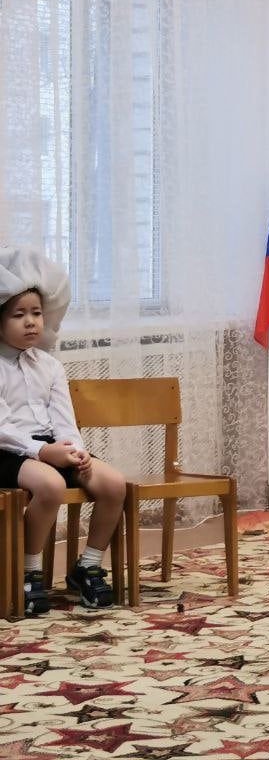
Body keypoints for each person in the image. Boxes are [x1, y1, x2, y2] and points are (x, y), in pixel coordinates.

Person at [0, 247, 125, 613]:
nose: (30, 322)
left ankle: (88, 566)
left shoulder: (50, 365)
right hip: (8, 451)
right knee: (51, 485)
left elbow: (63, 419)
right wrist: (42, 452)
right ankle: (29, 572)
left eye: (36, 313)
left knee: (113, 483)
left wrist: (76, 450)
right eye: (19, 315)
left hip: (51, 448)